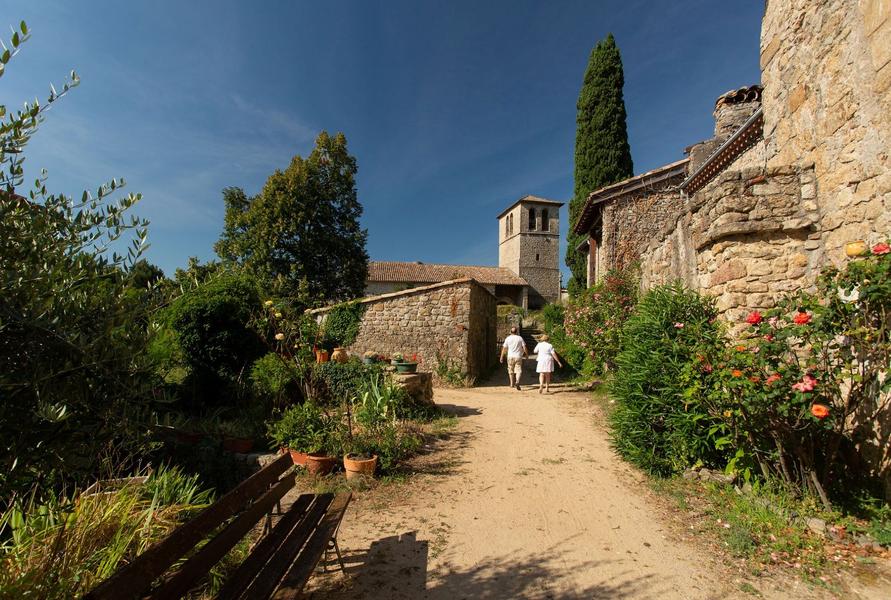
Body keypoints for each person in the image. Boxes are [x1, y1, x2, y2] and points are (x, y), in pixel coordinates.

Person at [499, 326, 527, 390]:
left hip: (510, 356)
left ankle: (511, 383)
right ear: (516, 332)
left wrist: (501, 357)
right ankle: (517, 382)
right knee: (518, 370)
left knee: (510, 370)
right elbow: (524, 347)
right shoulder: (520, 338)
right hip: (518, 356)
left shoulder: (508, 338)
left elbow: (504, 348)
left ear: (510, 332)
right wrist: (526, 354)